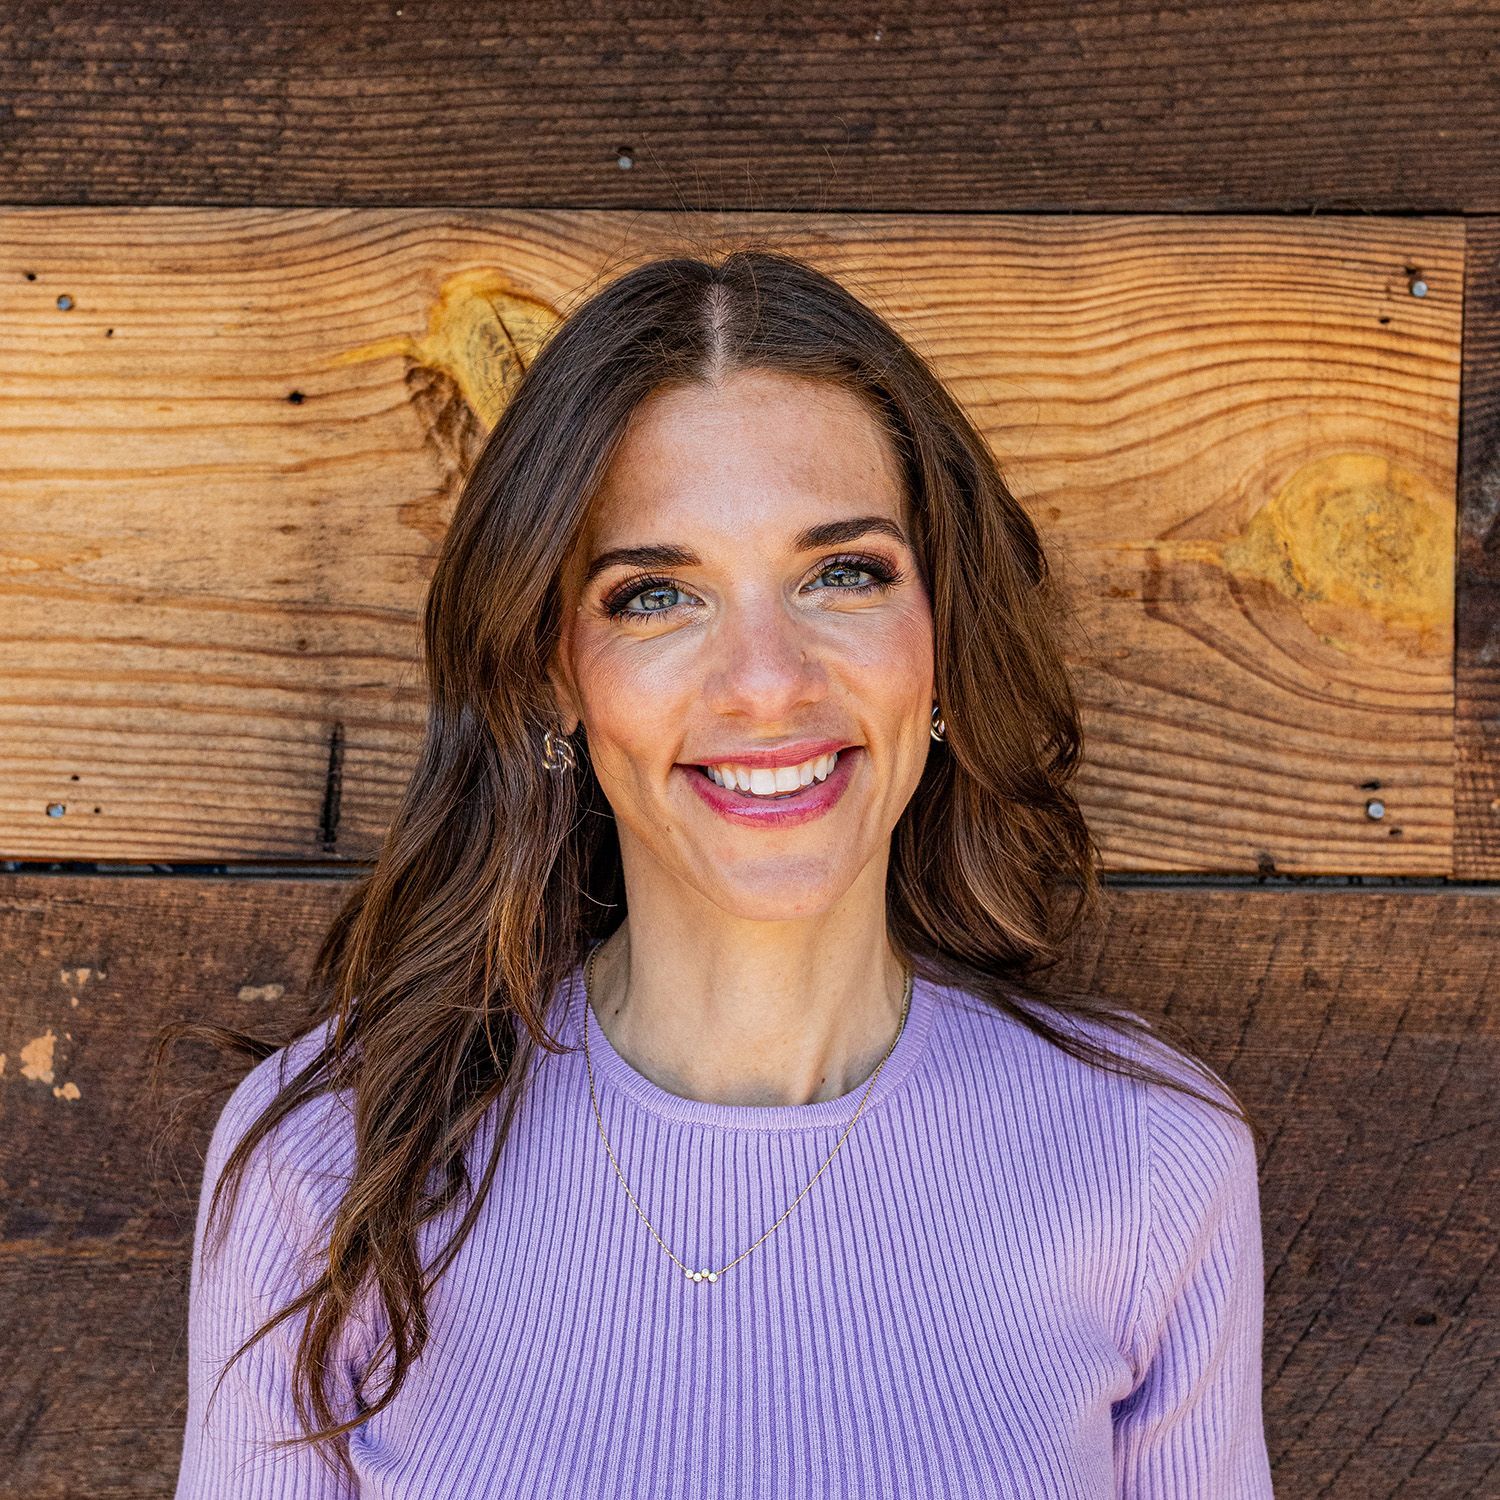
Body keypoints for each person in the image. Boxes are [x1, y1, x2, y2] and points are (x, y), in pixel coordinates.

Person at [168, 246, 1275, 1497]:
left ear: (948, 644)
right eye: (656, 596)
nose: (765, 680)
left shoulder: (1149, 1162)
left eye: (843, 574)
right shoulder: (329, 1166)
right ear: (549, 678)